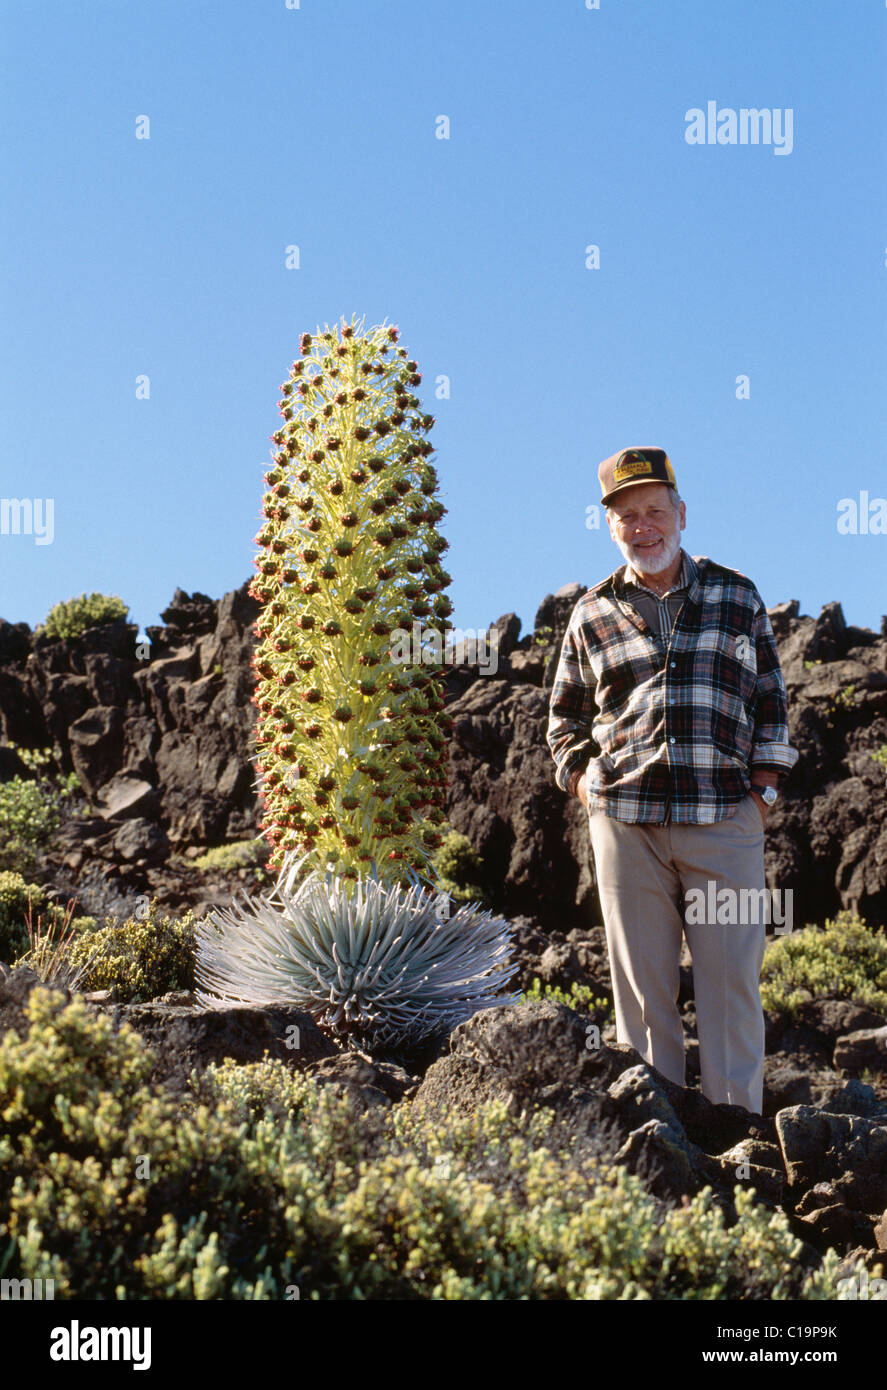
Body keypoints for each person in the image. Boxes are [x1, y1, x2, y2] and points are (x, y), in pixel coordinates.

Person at [546, 446, 798, 1113]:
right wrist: (585, 787)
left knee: (729, 990)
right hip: (626, 828)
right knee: (641, 993)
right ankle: (661, 1147)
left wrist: (761, 795)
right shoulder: (590, 614)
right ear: (610, 526)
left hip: (723, 821)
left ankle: (737, 1139)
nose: (642, 526)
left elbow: (771, 701)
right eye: (627, 515)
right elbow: (563, 723)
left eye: (653, 510)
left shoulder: (735, 595)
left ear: (680, 514)